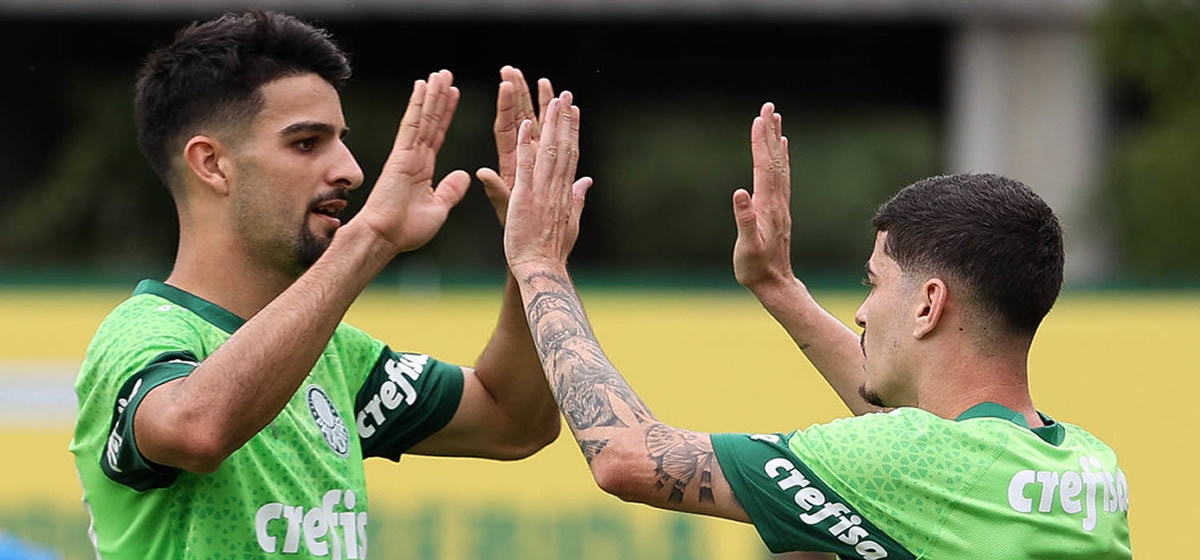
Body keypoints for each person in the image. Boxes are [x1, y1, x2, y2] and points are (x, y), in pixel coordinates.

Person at [502, 101, 1133, 558]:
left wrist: (538, 264)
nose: (862, 313)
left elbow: (625, 458)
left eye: (874, 283)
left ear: (928, 306)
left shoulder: (911, 461)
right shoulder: (1090, 467)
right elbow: (928, 448)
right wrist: (777, 284)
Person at [69, 11, 565, 558]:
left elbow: (514, 421)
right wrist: (371, 237)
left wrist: (534, 261)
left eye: (341, 141)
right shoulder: (138, 334)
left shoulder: (337, 354)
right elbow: (196, 429)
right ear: (212, 164)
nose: (351, 170)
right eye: (307, 143)